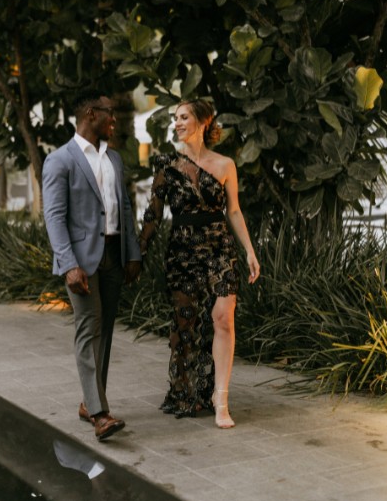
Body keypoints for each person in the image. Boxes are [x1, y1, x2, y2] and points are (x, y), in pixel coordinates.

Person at [140, 100, 261, 428]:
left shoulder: (225, 165)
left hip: (219, 249)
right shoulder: (166, 164)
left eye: (183, 117)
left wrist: (249, 250)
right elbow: (153, 214)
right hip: (182, 252)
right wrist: (137, 253)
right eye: (175, 119)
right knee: (186, 327)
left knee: (223, 319)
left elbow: (233, 211)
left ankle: (220, 399)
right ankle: (188, 391)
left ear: (203, 122)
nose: (177, 123)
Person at [42, 89, 141, 442]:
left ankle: (89, 400)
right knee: (88, 328)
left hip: (113, 255)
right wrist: (68, 263)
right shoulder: (60, 160)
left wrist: (133, 254)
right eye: (109, 112)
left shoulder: (113, 159)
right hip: (81, 261)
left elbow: (124, 208)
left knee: (106, 330)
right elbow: (54, 217)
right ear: (89, 113)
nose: (114, 119)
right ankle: (99, 414)